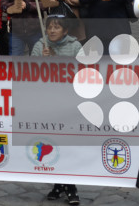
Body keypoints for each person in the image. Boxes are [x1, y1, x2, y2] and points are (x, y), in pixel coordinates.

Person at [34, 16, 82, 206]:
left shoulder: (76, 47)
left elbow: (82, 71)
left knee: (68, 146)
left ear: (65, 31)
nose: (52, 31)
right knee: (53, 145)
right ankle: (58, 184)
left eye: (57, 27)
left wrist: (56, 60)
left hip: (70, 103)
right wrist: (41, 61)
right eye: (50, 28)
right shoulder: (40, 46)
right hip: (48, 103)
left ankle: (71, 187)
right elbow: (28, 72)